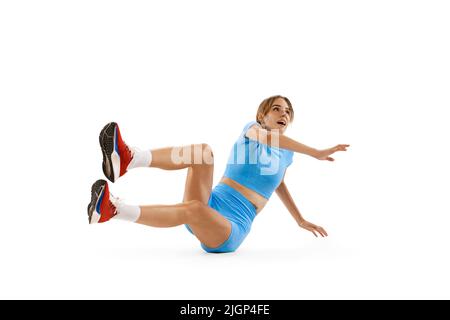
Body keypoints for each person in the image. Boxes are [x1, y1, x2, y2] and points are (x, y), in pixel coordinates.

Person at [87, 95, 350, 253]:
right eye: (277, 109)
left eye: (288, 111)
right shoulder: (253, 130)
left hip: (231, 227)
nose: (284, 113)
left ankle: (114, 211)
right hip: (212, 200)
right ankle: (130, 159)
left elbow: (278, 183)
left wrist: (300, 219)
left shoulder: (287, 154)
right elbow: (270, 140)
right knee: (203, 152)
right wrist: (315, 152)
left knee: (193, 209)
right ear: (262, 115)